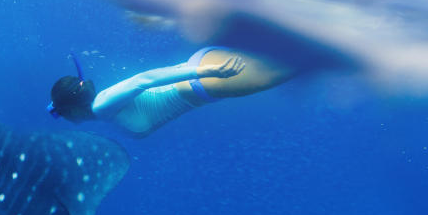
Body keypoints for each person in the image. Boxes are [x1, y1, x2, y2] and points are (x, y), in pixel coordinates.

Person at [47, 48, 293, 137]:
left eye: (62, 114)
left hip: (207, 80)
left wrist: (206, 71)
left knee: (298, 63)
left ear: (73, 109)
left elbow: (143, 80)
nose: (65, 120)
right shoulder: (104, 110)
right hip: (205, 78)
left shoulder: (101, 105)